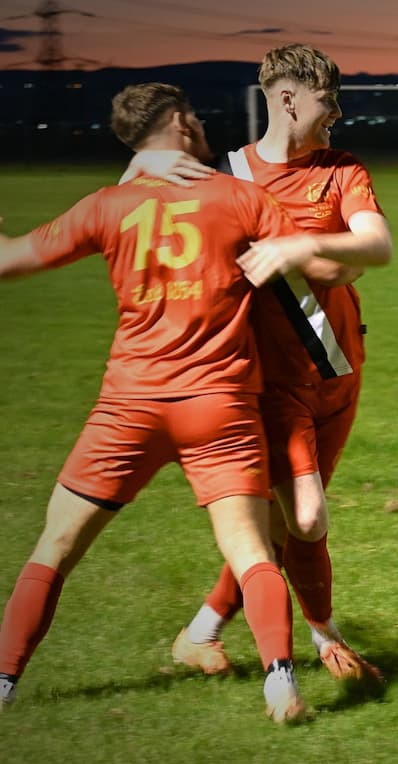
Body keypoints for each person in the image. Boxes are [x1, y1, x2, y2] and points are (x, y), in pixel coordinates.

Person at [0, 82, 338, 722]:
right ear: (180, 123)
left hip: (130, 406)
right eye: (197, 117)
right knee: (251, 550)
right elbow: (317, 266)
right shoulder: (240, 197)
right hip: (219, 402)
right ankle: (280, 684)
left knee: (56, 547)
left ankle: (4, 682)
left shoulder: (107, 204)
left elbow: (11, 259)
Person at [130, 44, 392, 683]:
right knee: (304, 516)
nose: (336, 114)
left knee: (281, 521)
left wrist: (305, 246)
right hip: (268, 382)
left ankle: (202, 631)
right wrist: (141, 163)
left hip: (339, 369)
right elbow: (130, 201)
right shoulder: (222, 176)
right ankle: (325, 634)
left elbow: (376, 245)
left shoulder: (342, 168)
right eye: (328, 101)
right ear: (287, 99)